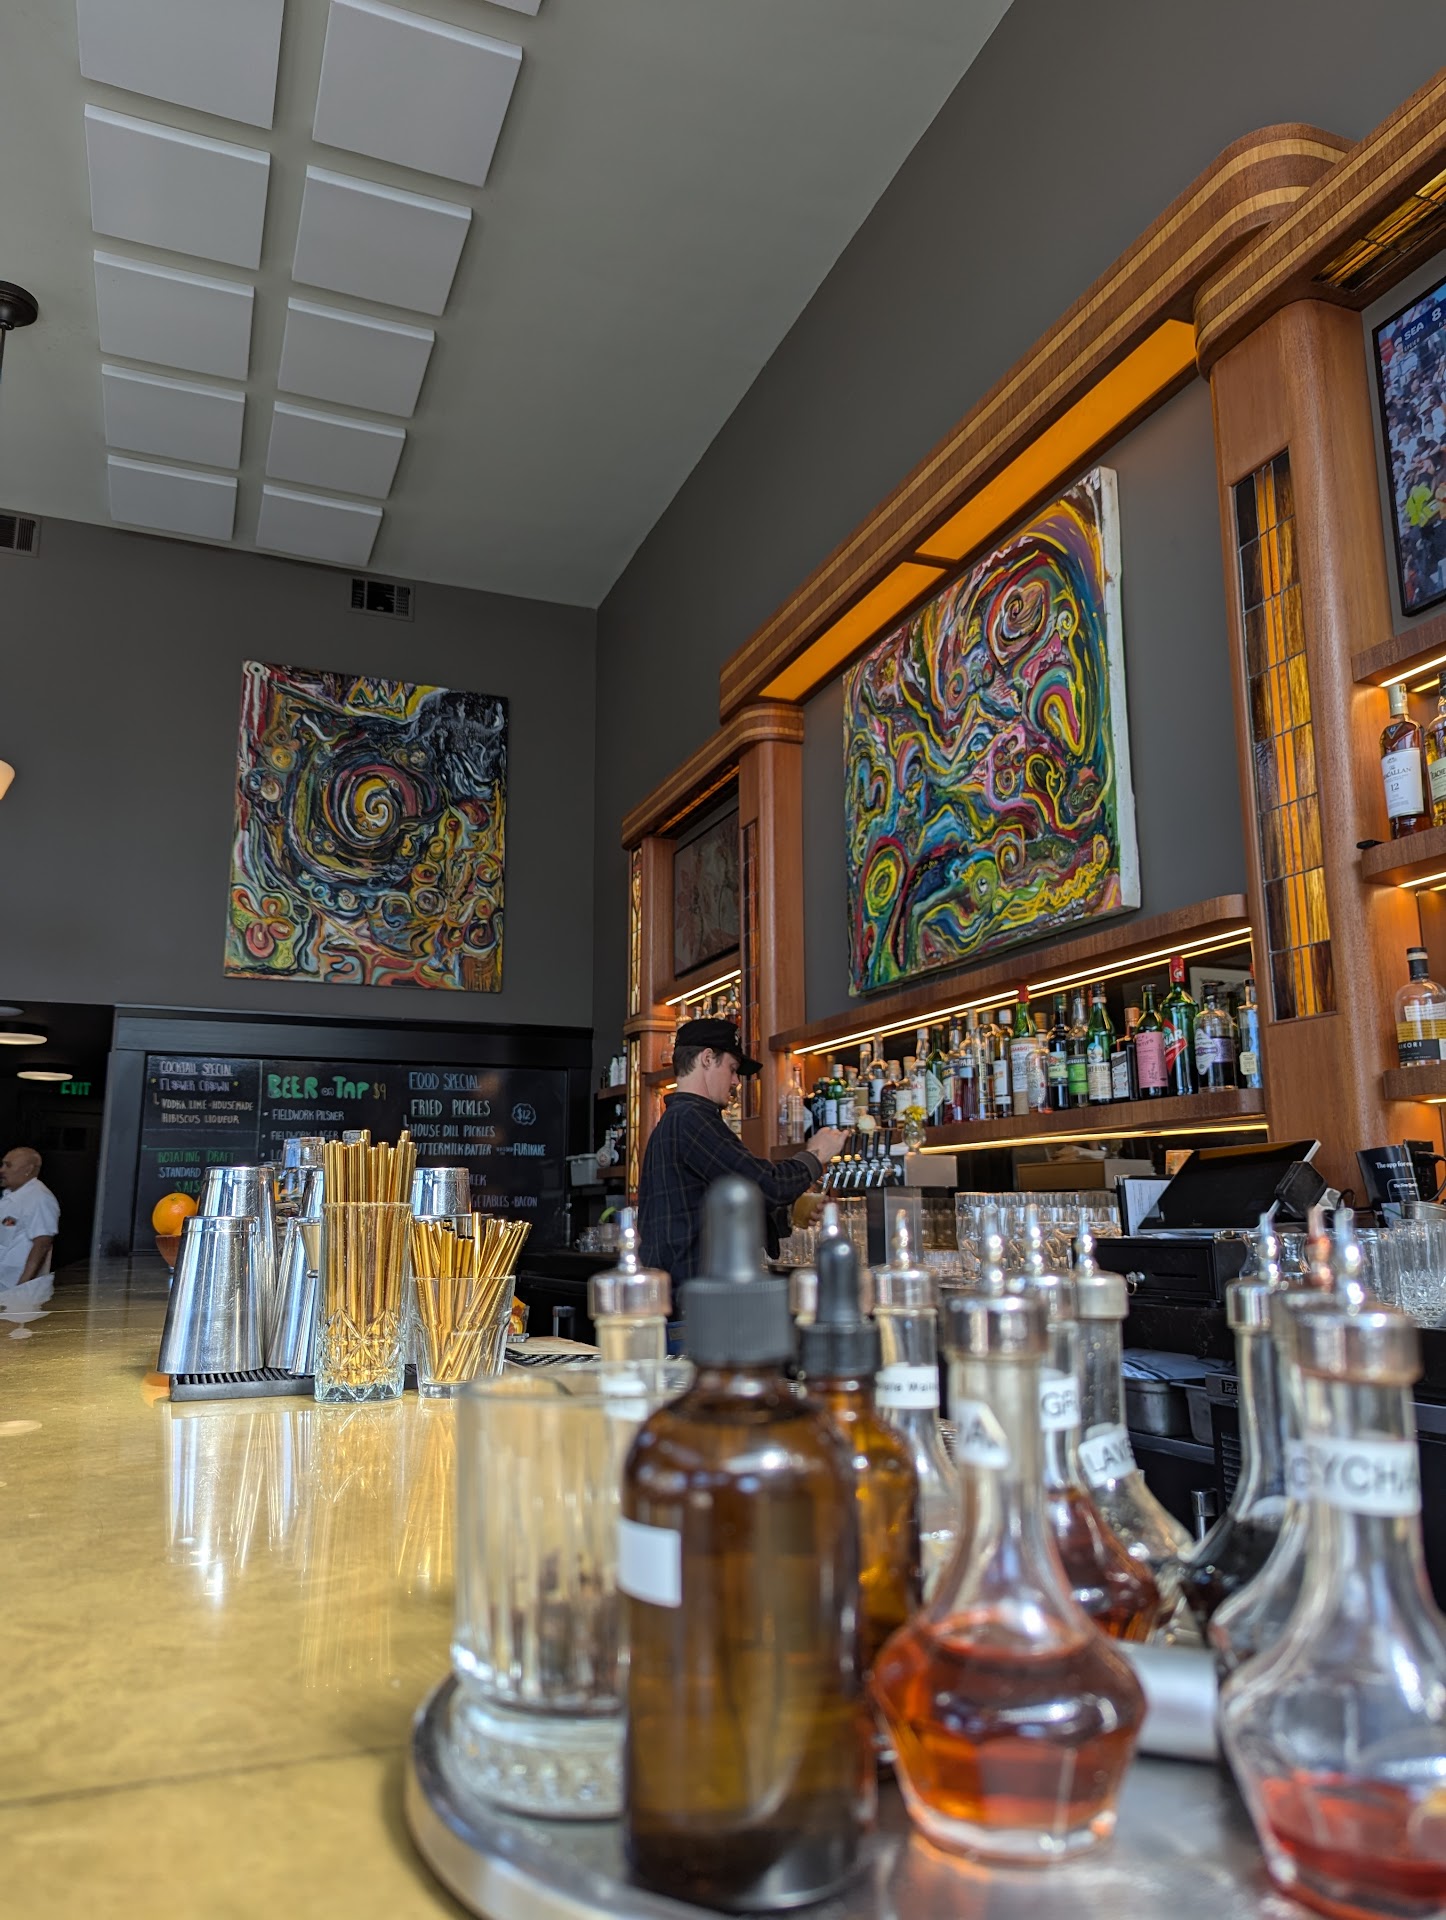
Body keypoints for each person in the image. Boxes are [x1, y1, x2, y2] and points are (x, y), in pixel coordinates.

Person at [638, 1017, 847, 1296]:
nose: (736, 1081)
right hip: (694, 1304)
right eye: (733, 1069)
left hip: (683, 1299)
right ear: (707, 1059)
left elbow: (715, 1210)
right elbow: (767, 1185)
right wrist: (815, 1155)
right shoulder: (692, 1119)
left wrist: (786, 1215)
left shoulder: (678, 1120)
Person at [0, 1147, 60, 1304]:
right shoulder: (10, 1197)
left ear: (28, 1170)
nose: (2, 1170)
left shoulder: (40, 1198)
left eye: (8, 1165)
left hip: (16, 1291)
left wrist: (22, 1287)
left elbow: (42, 1244)